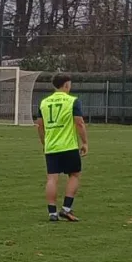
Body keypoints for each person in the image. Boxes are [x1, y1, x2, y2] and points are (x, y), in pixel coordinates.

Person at [36, 74, 88, 222]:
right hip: (68, 146)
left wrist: (44, 143)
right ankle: (66, 209)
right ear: (66, 85)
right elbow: (79, 123)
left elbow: (39, 126)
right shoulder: (72, 101)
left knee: (52, 178)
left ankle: (52, 213)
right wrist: (85, 142)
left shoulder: (44, 102)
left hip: (51, 146)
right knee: (74, 174)